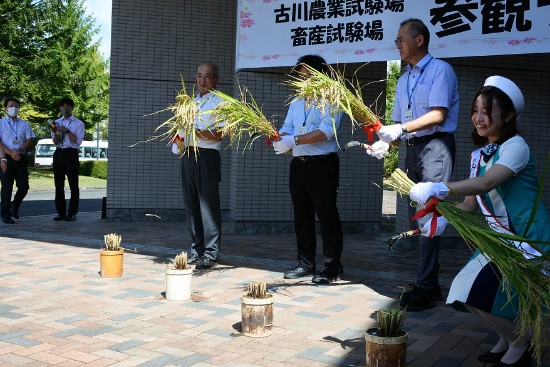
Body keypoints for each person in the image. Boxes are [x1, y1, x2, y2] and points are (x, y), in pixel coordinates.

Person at [409, 75, 548, 366]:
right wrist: (444, 216)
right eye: (475, 110)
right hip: (499, 239)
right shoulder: (478, 155)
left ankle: (520, 344)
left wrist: (440, 187)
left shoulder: (516, 147)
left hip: (525, 238)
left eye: (487, 112)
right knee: (464, 291)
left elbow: (486, 183)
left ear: (508, 115)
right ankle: (508, 338)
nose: (478, 118)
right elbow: (471, 204)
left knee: (477, 292)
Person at [374, 18, 459, 310]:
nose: (397, 45)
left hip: (436, 147)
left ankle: (426, 284)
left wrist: (401, 130)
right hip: (411, 149)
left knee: (428, 217)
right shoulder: (404, 78)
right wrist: (386, 142)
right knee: (420, 217)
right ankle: (429, 282)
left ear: (419, 40)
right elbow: (400, 124)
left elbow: (438, 115)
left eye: (401, 39)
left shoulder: (440, 70)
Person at [273, 55, 344, 284]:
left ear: (319, 75)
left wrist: (294, 140)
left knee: (326, 216)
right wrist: (280, 138)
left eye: (305, 76)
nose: (301, 80)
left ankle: (333, 266)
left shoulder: (332, 98)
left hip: (322, 164)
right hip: (299, 165)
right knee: (301, 216)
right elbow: (287, 126)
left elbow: (326, 131)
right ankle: (305, 263)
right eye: (299, 76)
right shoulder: (296, 100)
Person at [177, 62, 224, 270]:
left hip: (207, 157)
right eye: (198, 76)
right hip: (187, 156)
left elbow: (219, 134)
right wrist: (178, 141)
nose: (202, 81)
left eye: (207, 76)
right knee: (191, 205)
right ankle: (196, 249)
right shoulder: (189, 103)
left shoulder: (222, 102)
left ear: (215, 79)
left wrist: (193, 132)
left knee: (208, 206)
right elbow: (181, 131)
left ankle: (211, 252)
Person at [0, 98, 36, 224]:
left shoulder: (24, 124)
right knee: (6, 187)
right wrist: (10, 153)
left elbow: (29, 140)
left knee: (24, 186)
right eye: (11, 106)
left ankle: (14, 205)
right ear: (5, 108)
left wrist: (19, 151)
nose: (14, 108)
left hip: (20, 157)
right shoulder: (1, 123)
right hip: (5, 158)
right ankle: (5, 214)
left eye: (16, 106)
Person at [50, 97, 85, 221]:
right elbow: (56, 142)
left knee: (73, 185)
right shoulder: (56, 122)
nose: (65, 108)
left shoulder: (78, 123)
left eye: (68, 106)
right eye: (63, 106)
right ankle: (61, 213)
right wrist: (56, 132)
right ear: (60, 108)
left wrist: (67, 130)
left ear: (72, 107)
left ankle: (72, 213)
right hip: (59, 153)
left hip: (71, 153)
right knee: (58, 185)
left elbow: (78, 142)